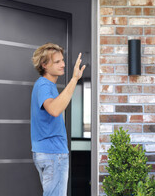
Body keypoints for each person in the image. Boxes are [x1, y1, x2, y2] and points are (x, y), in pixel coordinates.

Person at [31, 43, 86, 196]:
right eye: (57, 62)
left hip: (47, 153)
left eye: (62, 60)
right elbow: (54, 110)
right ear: (45, 65)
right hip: (53, 154)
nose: (63, 64)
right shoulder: (44, 85)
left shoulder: (48, 86)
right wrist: (75, 79)